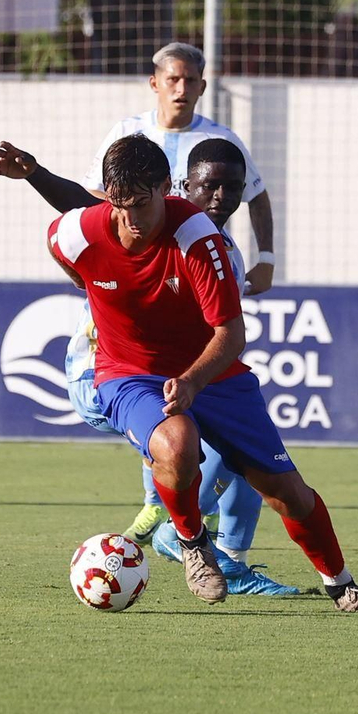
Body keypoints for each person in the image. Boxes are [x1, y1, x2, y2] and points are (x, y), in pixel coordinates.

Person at [45, 134, 358, 610]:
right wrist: (102, 292)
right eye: (119, 205)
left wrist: (192, 381)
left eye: (142, 204)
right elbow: (66, 254)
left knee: (287, 492)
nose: (130, 219)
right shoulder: (77, 232)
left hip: (212, 372)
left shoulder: (200, 240)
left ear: (167, 187)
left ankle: (340, 582)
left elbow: (231, 335)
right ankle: (193, 543)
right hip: (129, 373)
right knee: (177, 443)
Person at [0, 137, 300, 596]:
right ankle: (178, 528)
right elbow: (89, 210)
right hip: (104, 372)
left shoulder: (217, 250)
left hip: (157, 374)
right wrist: (36, 176)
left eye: (233, 188)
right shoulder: (151, 222)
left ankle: (199, 538)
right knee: (194, 441)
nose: (221, 198)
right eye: (209, 187)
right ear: (180, 187)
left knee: (247, 454)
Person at [83, 42, 277, 542]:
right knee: (164, 411)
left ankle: (192, 529)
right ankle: (170, 514)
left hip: (201, 275)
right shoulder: (127, 134)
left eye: (191, 80)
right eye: (173, 79)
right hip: (142, 285)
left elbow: (255, 195)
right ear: (155, 82)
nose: (182, 88)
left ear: (203, 85)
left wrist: (268, 259)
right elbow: (92, 206)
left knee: (217, 424)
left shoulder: (219, 138)